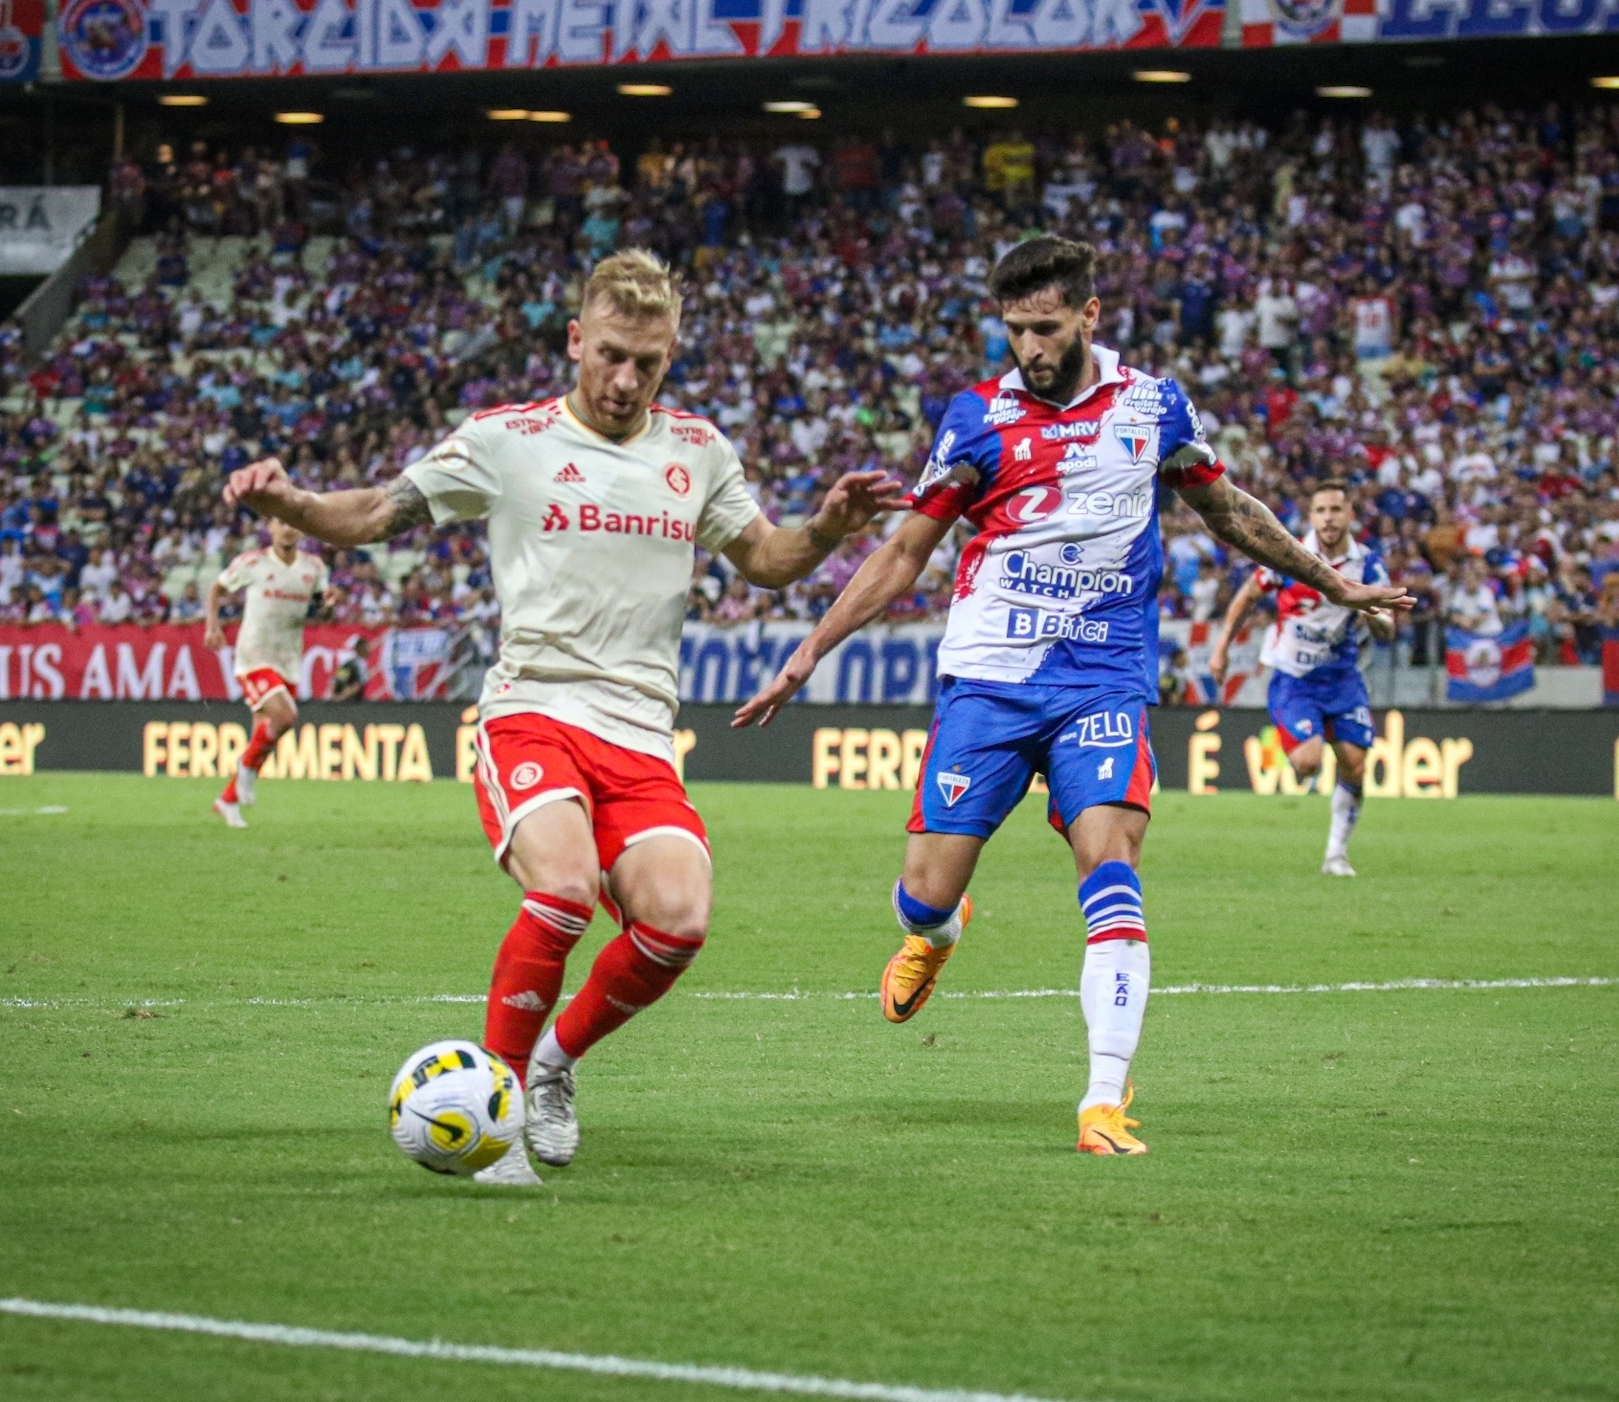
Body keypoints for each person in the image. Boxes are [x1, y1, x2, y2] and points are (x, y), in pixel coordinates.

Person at [221, 249, 902, 1186]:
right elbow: (380, 509)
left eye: (649, 363)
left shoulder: (696, 451)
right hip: (532, 710)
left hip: (638, 730)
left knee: (678, 919)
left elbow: (768, 557)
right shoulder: (508, 440)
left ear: (670, 358)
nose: (626, 380)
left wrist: (825, 527)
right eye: (612, 354)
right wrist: (293, 500)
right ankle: (494, 1113)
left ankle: (550, 1065)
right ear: (576, 340)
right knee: (566, 888)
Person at [734, 236, 1410, 1157]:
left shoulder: (1151, 405)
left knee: (1112, 865)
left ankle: (1101, 1100)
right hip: (989, 681)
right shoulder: (974, 418)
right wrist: (808, 651)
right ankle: (937, 933)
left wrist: (1329, 580)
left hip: (1102, 680)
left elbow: (1228, 509)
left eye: (1045, 327)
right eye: (1014, 329)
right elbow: (903, 554)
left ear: (1089, 316)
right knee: (924, 894)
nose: (1029, 346)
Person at [1207, 482, 1395, 878]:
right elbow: (1247, 595)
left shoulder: (1367, 566)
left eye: (1336, 510)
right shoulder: (1290, 555)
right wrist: (1222, 645)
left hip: (1343, 677)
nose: (1329, 518)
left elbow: (1387, 630)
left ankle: (1335, 855)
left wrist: (1377, 618)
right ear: (1311, 517)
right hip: (1294, 676)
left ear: (1349, 515)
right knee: (1307, 764)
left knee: (1356, 766)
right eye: (1321, 510)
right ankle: (1303, 736)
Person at [205, 518, 334, 827]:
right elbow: (216, 589)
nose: (287, 529)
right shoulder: (253, 562)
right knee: (286, 717)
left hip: (288, 658)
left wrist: (329, 605)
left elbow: (322, 610)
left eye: (293, 523)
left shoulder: (314, 568)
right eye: (280, 523)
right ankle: (245, 770)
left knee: (265, 736)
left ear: (302, 530)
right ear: (270, 529)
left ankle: (227, 800)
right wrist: (213, 625)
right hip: (254, 654)